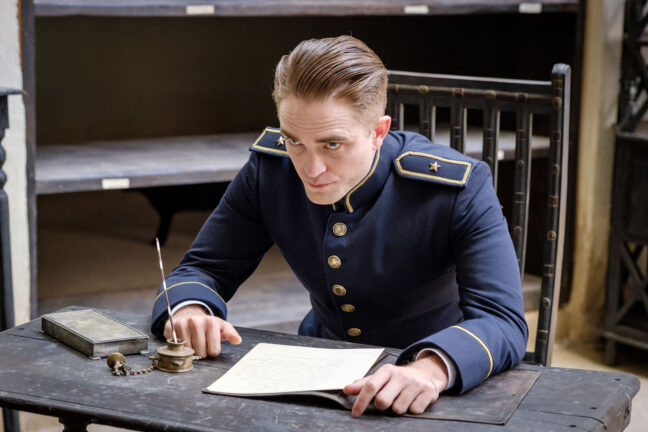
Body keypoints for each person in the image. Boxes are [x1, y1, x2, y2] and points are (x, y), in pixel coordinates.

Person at [151, 35, 527, 417]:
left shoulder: (456, 188)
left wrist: (430, 370)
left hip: (431, 382)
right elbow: (204, 268)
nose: (310, 169)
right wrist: (189, 310)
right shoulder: (270, 170)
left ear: (378, 132)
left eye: (332, 144)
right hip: (318, 368)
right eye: (294, 140)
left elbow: (503, 321)